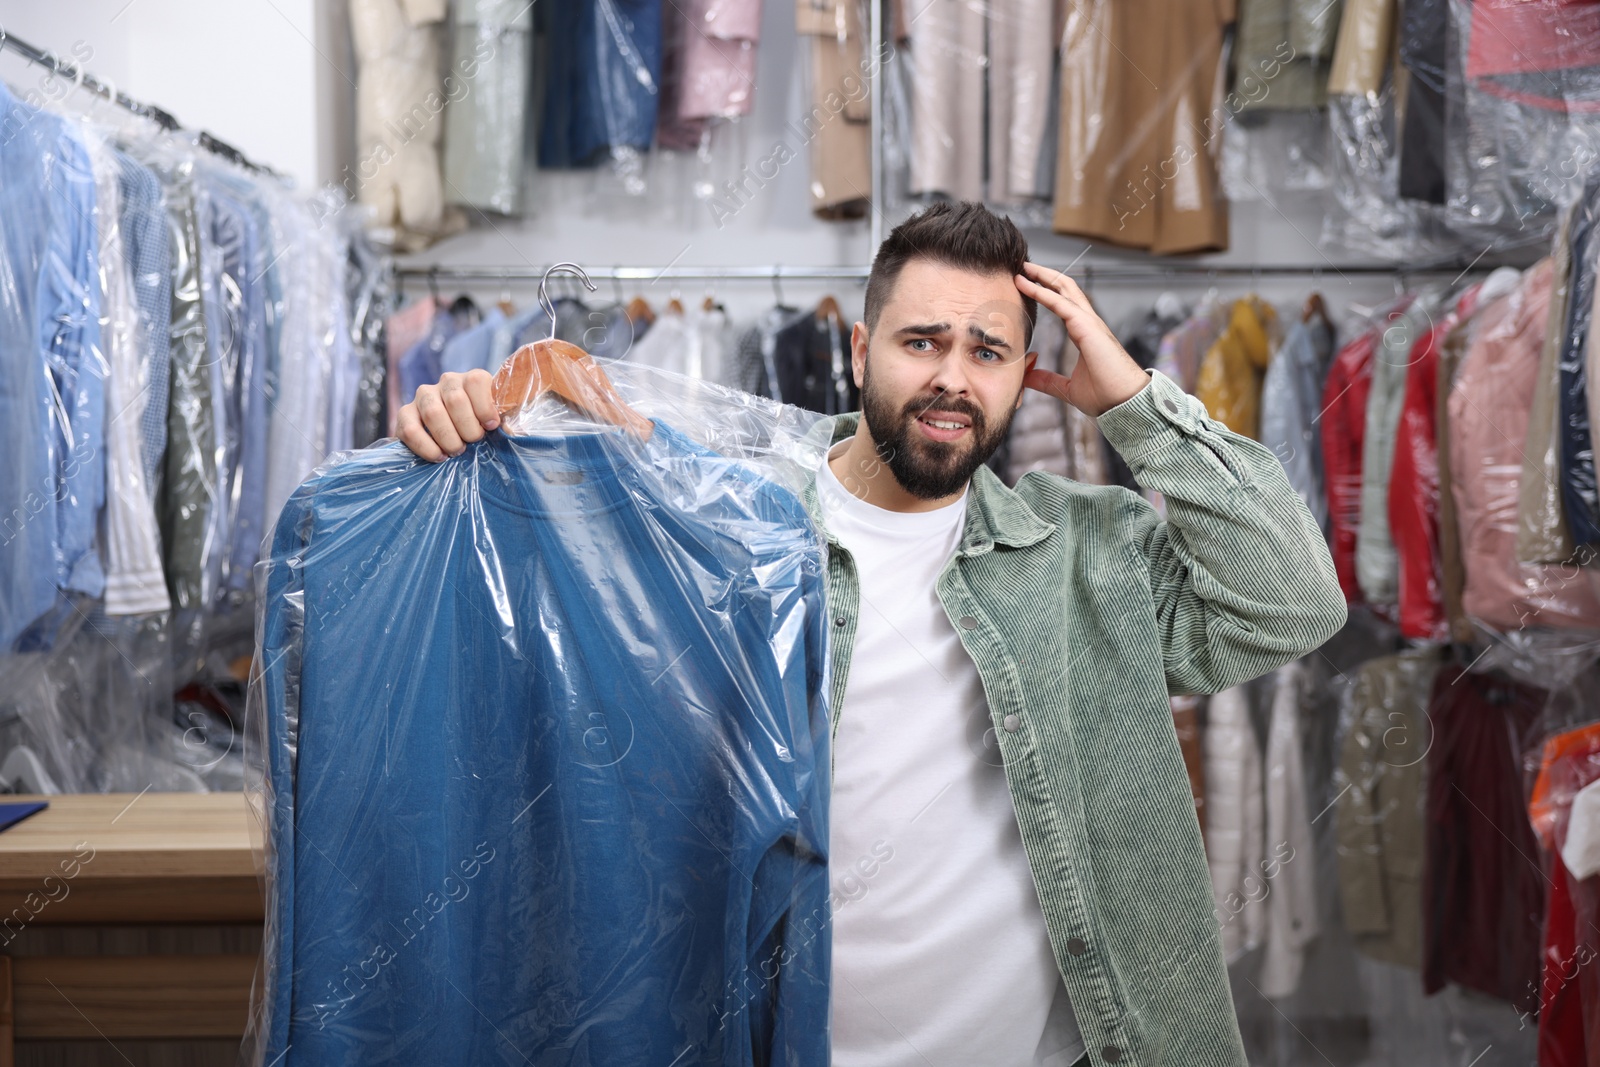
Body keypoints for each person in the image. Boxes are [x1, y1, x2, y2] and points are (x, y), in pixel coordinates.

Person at [396, 201, 1346, 1067]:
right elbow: (526, 629)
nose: (951, 378)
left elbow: (1296, 598)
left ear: (1026, 373)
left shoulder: (1086, 555)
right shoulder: (730, 527)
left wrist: (1136, 403)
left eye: (988, 351)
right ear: (858, 350)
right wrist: (463, 427)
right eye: (923, 341)